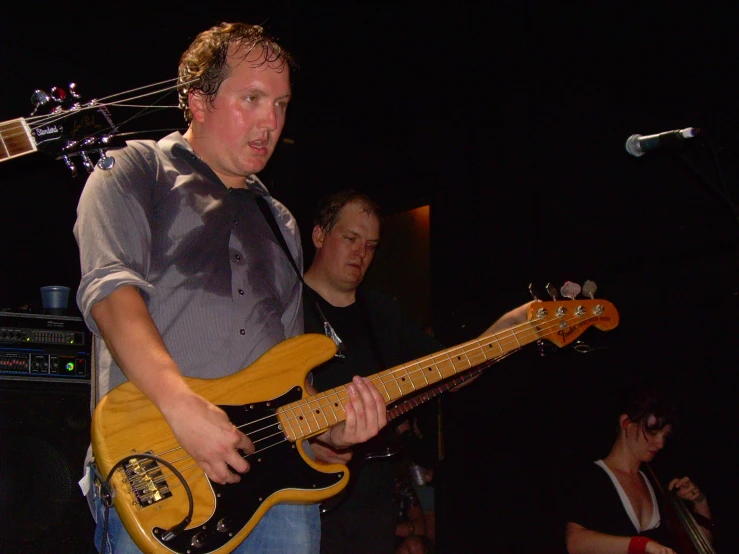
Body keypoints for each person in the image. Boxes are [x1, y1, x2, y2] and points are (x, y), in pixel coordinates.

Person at [73, 23, 387, 554]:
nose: (272, 121)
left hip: (276, 500)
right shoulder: (132, 169)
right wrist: (183, 407)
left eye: (282, 104)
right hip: (161, 468)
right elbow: (110, 295)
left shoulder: (281, 221)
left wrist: (325, 434)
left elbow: (288, 369)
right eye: (252, 99)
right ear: (198, 101)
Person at [300, 190, 531, 553]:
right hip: (297, 499)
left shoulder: (382, 313)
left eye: (372, 245)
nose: (362, 253)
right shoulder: (282, 303)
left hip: (370, 502)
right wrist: (310, 439)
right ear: (318, 235)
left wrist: (512, 327)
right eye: (351, 239)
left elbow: (450, 373)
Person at [561, 385, 714, 554]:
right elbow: (575, 543)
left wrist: (700, 502)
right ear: (626, 423)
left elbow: (701, 545)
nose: (660, 443)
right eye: (653, 431)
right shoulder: (592, 477)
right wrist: (642, 545)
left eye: (665, 435)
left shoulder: (657, 481)